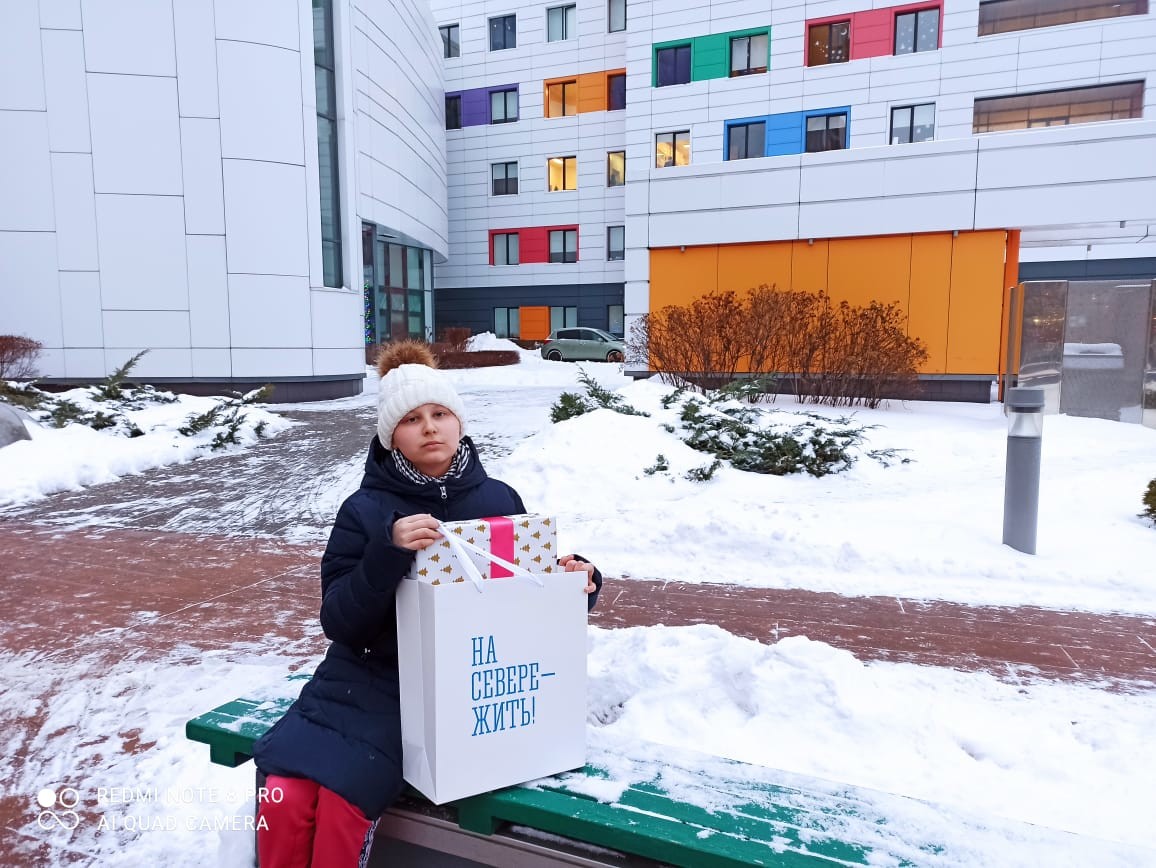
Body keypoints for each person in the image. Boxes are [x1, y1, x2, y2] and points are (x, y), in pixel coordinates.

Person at [252, 341, 602, 868]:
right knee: (284, 794)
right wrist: (386, 552)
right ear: (390, 436)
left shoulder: (499, 501)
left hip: (454, 686)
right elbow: (339, 621)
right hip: (364, 677)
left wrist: (578, 582)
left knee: (346, 799)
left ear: (460, 423)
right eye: (411, 419)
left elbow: (523, 605)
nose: (430, 428)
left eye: (440, 414)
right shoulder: (364, 511)